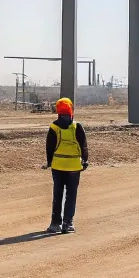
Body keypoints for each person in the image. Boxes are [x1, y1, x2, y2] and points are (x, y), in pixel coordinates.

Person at [45, 96, 88, 234]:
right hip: (74, 167)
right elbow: (83, 146)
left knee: (58, 194)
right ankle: (68, 224)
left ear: (58, 111)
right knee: (71, 195)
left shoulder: (53, 127)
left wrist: (49, 161)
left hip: (57, 166)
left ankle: (55, 224)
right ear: (71, 110)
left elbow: (49, 147)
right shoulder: (77, 126)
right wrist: (85, 160)